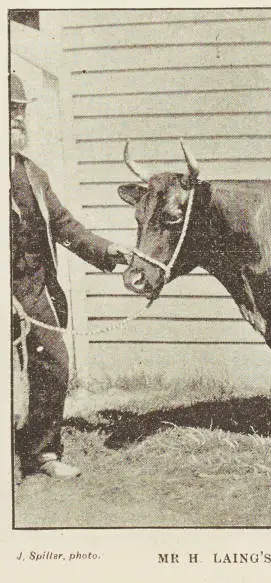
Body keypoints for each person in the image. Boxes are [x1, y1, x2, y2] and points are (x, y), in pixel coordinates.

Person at [11, 73, 132, 479]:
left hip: (32, 290)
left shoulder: (32, 173)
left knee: (54, 364)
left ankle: (42, 453)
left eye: (20, 111)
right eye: (8, 111)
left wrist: (106, 250)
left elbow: (64, 225)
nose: (16, 119)